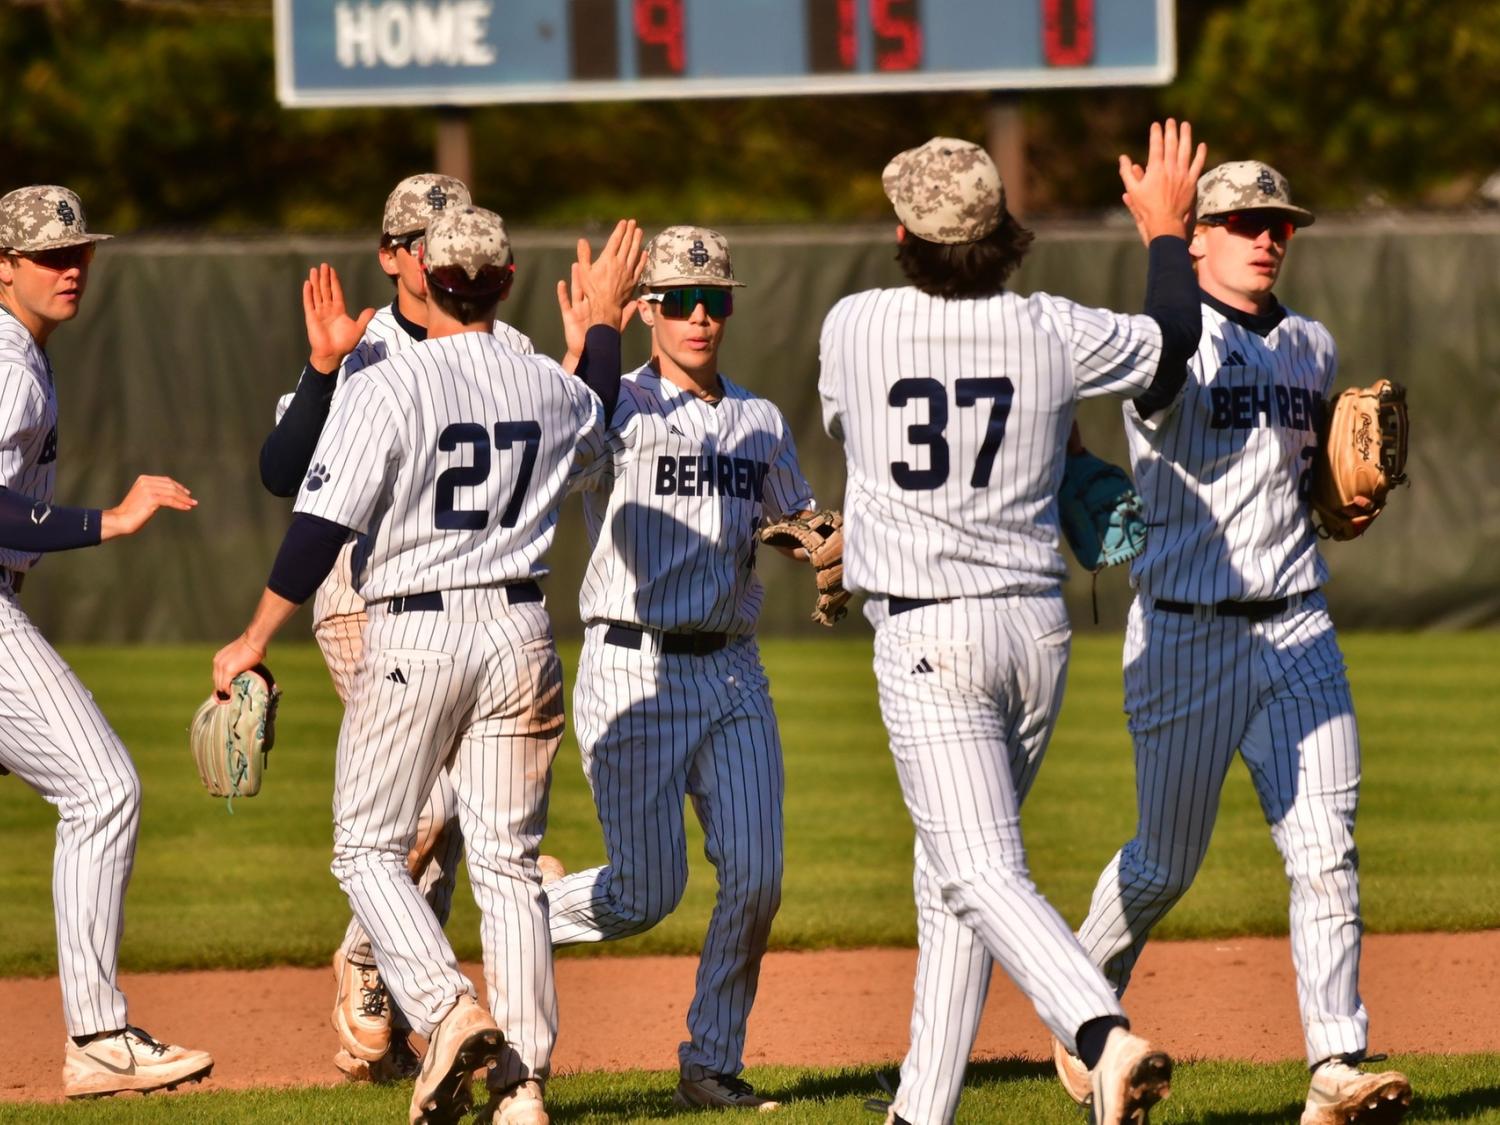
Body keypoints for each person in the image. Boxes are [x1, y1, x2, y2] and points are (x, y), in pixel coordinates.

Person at [215, 208, 641, 1125]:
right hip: (523, 632)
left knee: (367, 844)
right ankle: (522, 1089)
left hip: (415, 631)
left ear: (426, 278)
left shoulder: (390, 384)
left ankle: (448, 1010)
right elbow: (601, 407)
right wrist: (602, 320)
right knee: (509, 864)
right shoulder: (545, 380)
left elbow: (317, 527)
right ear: (507, 281)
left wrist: (253, 637)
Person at [817, 125, 1206, 1125]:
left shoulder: (855, 325)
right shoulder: (1052, 330)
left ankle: (1100, 1034)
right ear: (1002, 232)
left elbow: (859, 436)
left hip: (931, 638)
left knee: (982, 869)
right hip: (1034, 634)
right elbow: (1170, 350)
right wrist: (1167, 230)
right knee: (954, 876)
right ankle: (921, 1110)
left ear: (906, 236)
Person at [1055, 160, 1412, 1125]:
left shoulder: (1311, 345)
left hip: (1299, 625)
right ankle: (1078, 1000)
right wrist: (1154, 243)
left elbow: (1298, 485)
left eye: (1280, 225)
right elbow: (1155, 374)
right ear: (1198, 237)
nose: (1266, 237)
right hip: (1186, 633)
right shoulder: (1164, 346)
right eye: (1244, 221)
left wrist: (1339, 505)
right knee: (1164, 862)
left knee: (1324, 850)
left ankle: (1336, 1062)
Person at [258, 173, 539, 1082]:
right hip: (358, 592)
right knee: (430, 803)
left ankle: (384, 967)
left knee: (450, 815)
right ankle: (386, 965)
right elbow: (281, 473)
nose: (433, 250)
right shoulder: (362, 346)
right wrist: (322, 368)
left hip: (465, 605)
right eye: (419, 236)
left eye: (448, 233)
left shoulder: (506, 344)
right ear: (390, 256)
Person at [543, 226, 822, 1112]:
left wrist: (826, 544)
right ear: (647, 309)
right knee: (644, 891)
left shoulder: (760, 419)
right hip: (634, 666)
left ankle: (711, 1059)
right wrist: (587, 341)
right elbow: (560, 454)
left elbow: (797, 517)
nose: (701, 315)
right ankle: (527, 917)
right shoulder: (616, 403)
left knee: (758, 874)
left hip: (734, 673)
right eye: (680, 300)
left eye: (717, 300)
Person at [0, 184, 212, 1098]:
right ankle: (97, 1036)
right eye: (51, 255)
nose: (72, 267)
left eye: (80, 250)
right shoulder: (7, 359)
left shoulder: (26, 354)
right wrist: (105, 522)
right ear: (4, 266)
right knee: (103, 789)